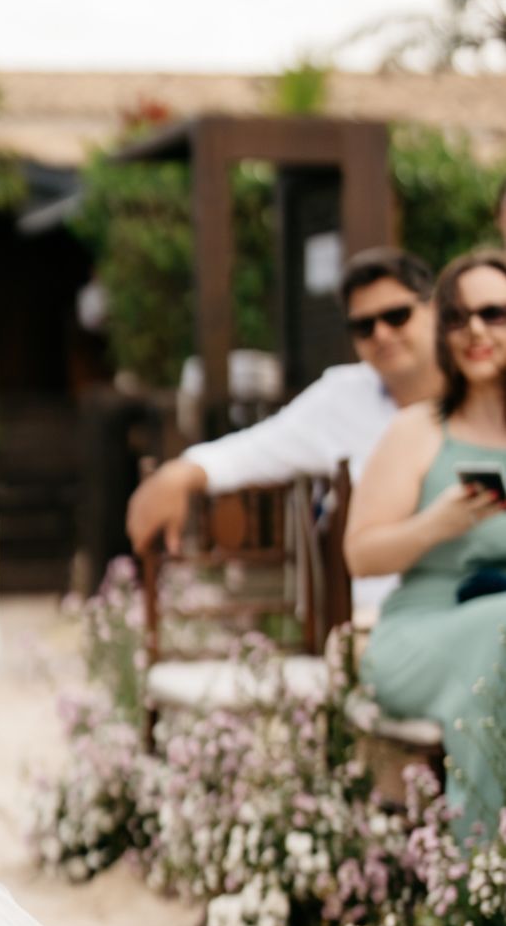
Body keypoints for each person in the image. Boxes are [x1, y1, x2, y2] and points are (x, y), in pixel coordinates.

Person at [126, 248, 440, 622]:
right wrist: (179, 473)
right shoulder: (342, 399)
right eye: (363, 326)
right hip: (379, 618)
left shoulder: (481, 392)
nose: (381, 334)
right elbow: (254, 449)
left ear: (435, 310)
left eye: (397, 316)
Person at [346, 250, 506, 834]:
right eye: (457, 317)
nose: (475, 331)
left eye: (493, 313)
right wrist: (439, 522)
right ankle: (480, 862)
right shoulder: (418, 429)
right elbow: (360, 554)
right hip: (420, 632)